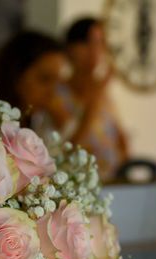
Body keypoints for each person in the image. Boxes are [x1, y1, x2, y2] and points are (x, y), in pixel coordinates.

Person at [55, 17, 129, 183]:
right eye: (89, 42)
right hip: (79, 186)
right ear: (70, 48)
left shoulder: (103, 93)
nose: (96, 50)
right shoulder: (57, 94)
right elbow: (67, 147)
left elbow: (120, 138)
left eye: (101, 43)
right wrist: (97, 95)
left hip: (113, 184)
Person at [0, 31, 67, 128]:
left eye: (59, 84)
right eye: (45, 79)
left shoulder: (39, 123)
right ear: (16, 74)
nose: (53, 94)